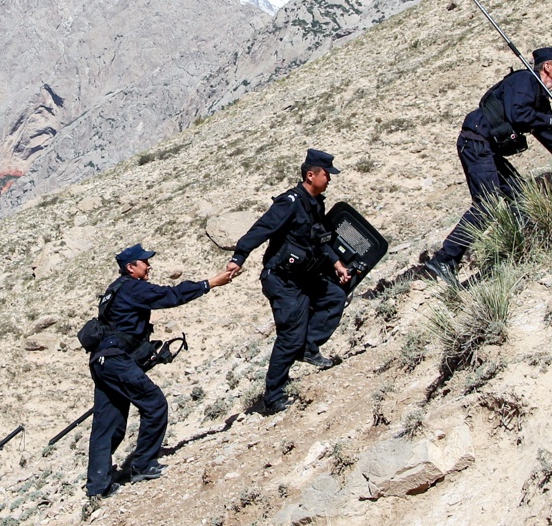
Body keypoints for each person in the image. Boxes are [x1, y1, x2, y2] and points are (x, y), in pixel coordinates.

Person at [425, 46, 552, 283]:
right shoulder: (524, 81)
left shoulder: (540, 99)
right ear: (547, 66)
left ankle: (518, 246)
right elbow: (518, 115)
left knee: (521, 197)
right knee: (488, 203)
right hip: (476, 144)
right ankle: (444, 260)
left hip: (488, 149)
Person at [87, 244, 239, 498]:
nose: (149, 266)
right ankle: (143, 464)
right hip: (115, 360)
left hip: (102, 361)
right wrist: (210, 283)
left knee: (107, 424)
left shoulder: (114, 290)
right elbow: (171, 296)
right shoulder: (132, 287)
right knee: (154, 404)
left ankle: (97, 487)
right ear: (130, 267)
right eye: (144, 262)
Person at [228, 149, 354, 415]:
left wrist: (337, 264)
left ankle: (309, 347)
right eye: (326, 175)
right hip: (281, 280)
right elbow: (262, 228)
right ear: (311, 175)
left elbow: (320, 241)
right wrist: (239, 257)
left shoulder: (315, 205)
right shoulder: (291, 202)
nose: (329, 180)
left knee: (334, 296)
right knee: (289, 336)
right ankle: (273, 397)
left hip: (303, 276)